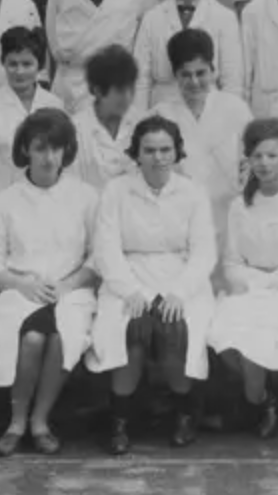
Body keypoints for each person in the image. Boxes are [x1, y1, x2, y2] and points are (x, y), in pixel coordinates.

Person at [88, 116, 217, 454]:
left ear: (177, 152)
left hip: (180, 278)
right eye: (149, 150)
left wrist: (179, 292)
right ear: (137, 153)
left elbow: (204, 251)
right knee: (130, 330)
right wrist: (131, 291)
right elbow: (106, 248)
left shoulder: (192, 192)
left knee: (177, 331)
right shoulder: (116, 191)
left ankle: (185, 412)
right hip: (127, 277)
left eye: (165, 150)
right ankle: (120, 420)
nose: (158, 157)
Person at [0, 109, 100, 457]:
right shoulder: (6, 200)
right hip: (20, 291)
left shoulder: (86, 196)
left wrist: (67, 286)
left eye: (56, 148)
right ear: (26, 151)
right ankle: (16, 420)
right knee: (32, 337)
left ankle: (40, 420)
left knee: (63, 334)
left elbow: (98, 258)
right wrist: (19, 284)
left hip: (72, 291)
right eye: (40, 148)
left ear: (67, 150)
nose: (49, 157)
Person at [209, 118, 278, 438]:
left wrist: (260, 283)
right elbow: (231, 264)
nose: (264, 163)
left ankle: (253, 403)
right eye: (257, 156)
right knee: (218, 326)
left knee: (255, 328)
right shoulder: (238, 205)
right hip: (247, 289)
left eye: (272, 155)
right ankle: (261, 397)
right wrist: (253, 283)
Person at [150, 29, 254, 255]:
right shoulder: (161, 115)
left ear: (213, 71)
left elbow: (252, 164)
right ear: (175, 75)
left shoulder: (236, 110)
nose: (194, 82)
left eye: (201, 73)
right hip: (178, 229)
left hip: (229, 223)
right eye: (185, 75)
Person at [134, 0, 243, 107]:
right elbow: (141, 80)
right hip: (163, 107)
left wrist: (227, 119)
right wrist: (139, 120)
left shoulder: (224, 18)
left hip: (208, 107)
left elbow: (232, 82)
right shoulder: (153, 18)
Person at [0, 27, 64, 194]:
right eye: (12, 64)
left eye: (27, 64)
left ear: (39, 65)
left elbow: (61, 159)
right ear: (3, 63)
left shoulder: (54, 104)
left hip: (43, 198)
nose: (19, 71)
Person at [71, 45, 147, 191]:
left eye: (131, 89)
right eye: (119, 90)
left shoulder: (143, 124)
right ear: (98, 91)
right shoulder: (76, 129)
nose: (127, 97)